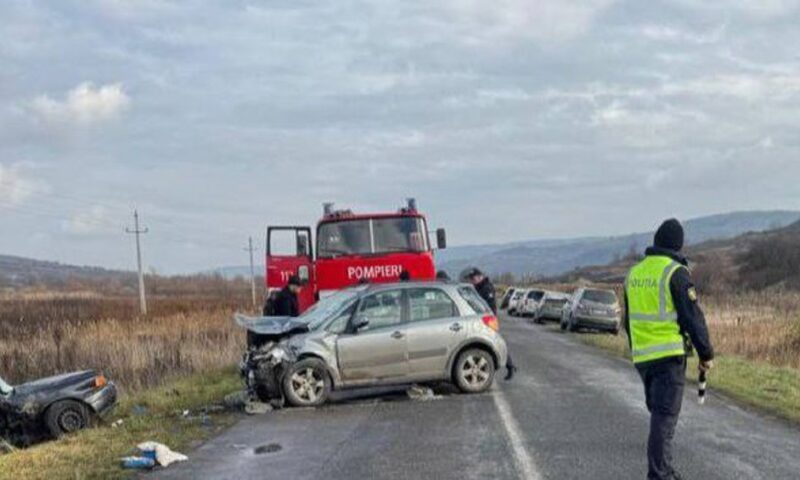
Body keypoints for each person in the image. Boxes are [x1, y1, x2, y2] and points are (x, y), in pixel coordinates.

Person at [624, 219, 715, 480]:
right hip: (668, 357)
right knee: (664, 420)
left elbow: (628, 321)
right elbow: (692, 317)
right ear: (678, 245)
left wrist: (637, 348)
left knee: (658, 415)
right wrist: (706, 354)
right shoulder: (675, 272)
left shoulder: (634, 273)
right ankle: (659, 474)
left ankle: (664, 469)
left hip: (642, 358)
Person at [464, 267, 517, 380]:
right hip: (481, 319)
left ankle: (510, 367)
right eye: (471, 279)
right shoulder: (478, 287)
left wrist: (488, 320)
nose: (472, 280)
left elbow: (491, 307)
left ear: (480, 277)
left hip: (488, 320)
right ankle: (509, 366)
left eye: (473, 278)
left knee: (496, 343)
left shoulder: (486, 288)